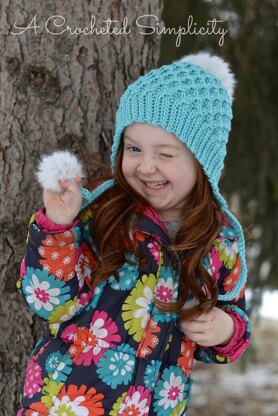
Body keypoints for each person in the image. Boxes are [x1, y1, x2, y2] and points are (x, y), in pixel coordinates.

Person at [17, 52, 251, 416]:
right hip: (65, 402)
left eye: (166, 154)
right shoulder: (105, 215)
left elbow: (233, 322)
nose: (145, 165)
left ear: (202, 162)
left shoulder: (219, 243)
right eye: (134, 148)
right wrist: (58, 228)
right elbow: (48, 300)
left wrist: (223, 330)